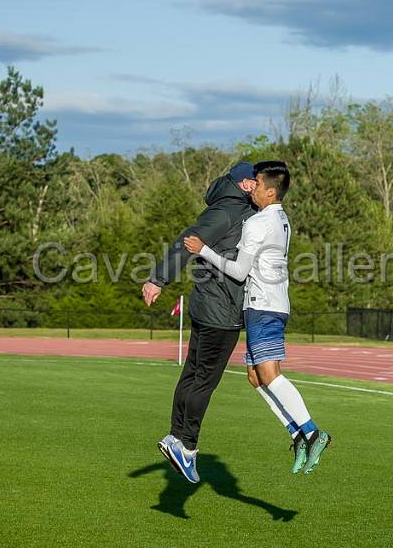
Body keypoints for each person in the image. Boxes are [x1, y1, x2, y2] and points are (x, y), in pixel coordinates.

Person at [185, 161, 331, 475]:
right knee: (255, 377)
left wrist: (205, 250)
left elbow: (238, 271)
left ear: (270, 190)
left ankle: (313, 431)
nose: (253, 188)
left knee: (269, 374)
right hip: (272, 304)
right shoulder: (280, 218)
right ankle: (297, 435)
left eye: (258, 183)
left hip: (263, 305)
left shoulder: (258, 222)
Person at [142, 162, 257, 484]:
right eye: (257, 181)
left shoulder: (237, 208)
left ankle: (176, 438)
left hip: (212, 305)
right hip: (219, 309)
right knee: (204, 379)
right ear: (246, 184)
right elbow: (186, 241)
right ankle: (187, 445)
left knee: (193, 374)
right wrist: (158, 280)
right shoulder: (228, 211)